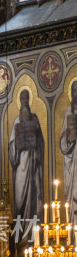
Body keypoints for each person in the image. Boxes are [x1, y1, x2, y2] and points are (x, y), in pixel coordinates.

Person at [8, 89, 45, 222]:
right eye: (22, 99)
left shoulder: (35, 119)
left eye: (26, 99)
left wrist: (35, 141)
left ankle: (33, 235)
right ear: (19, 101)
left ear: (29, 101)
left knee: (33, 199)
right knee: (19, 201)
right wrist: (17, 144)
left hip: (33, 165)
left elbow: (41, 143)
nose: (24, 102)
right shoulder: (16, 122)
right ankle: (21, 237)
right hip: (20, 167)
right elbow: (11, 146)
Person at [61, 81, 77, 224]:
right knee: (73, 195)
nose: (75, 94)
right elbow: (62, 144)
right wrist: (66, 136)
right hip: (72, 161)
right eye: (73, 91)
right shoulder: (68, 112)